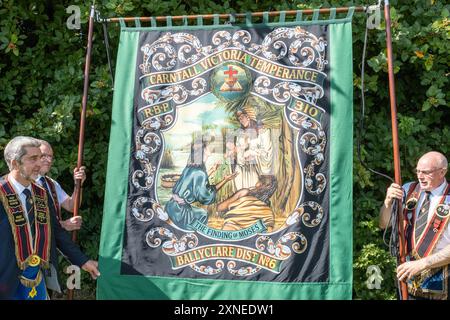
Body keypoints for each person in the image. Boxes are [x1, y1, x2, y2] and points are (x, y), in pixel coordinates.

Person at [0, 136, 100, 300]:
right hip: (5, 281)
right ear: (15, 163)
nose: (40, 163)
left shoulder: (42, 193)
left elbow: (57, 232)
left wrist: (83, 261)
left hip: (37, 279)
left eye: (41, 157)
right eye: (33, 159)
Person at [379, 151, 450, 300]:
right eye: (418, 171)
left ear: (442, 172)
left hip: (442, 285)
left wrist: (421, 264)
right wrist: (387, 202)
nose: (420, 176)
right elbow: (384, 224)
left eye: (426, 172)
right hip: (408, 284)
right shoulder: (408, 190)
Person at [164, 137, 237, 231]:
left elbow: (197, 180)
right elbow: (206, 196)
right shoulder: (200, 172)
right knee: (203, 214)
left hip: (171, 206)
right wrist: (225, 180)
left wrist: (212, 170)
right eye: (207, 147)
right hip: (180, 213)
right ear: (203, 151)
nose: (210, 148)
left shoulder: (190, 167)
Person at [36, 139, 84, 231]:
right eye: (43, 156)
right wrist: (63, 225)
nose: (48, 160)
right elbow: (29, 221)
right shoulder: (24, 184)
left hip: (53, 242)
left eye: (50, 156)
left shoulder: (52, 184)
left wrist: (78, 184)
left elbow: (72, 206)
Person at [229, 106, 273, 190]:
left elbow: (267, 151)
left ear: (248, 117)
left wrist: (251, 152)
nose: (241, 120)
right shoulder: (240, 134)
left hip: (256, 167)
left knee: (253, 188)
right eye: (239, 119)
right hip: (243, 167)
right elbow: (239, 150)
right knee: (240, 188)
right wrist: (240, 153)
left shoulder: (262, 131)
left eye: (242, 117)